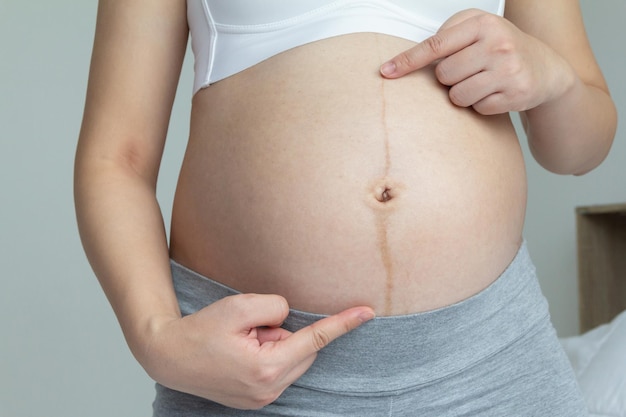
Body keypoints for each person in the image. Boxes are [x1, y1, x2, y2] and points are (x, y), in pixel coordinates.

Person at [74, 0, 617, 415]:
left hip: (491, 359)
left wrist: (554, 78)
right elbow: (115, 158)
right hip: (258, 368)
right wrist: (157, 339)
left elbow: (579, 151)